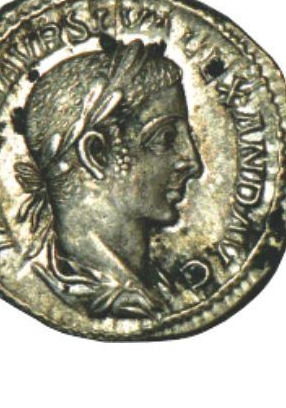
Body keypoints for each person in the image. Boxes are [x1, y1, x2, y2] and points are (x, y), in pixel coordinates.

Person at [14, 37, 202, 318]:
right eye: (165, 138)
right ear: (96, 154)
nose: (193, 163)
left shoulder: (163, 288)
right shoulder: (56, 288)